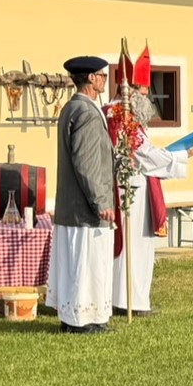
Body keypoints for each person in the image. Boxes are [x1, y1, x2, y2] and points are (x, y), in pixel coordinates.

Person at [108, 88, 193, 317]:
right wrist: (181, 155)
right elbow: (145, 155)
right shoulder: (122, 116)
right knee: (134, 248)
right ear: (130, 91)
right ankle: (131, 302)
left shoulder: (119, 114)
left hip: (132, 188)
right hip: (132, 193)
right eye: (143, 90)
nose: (147, 95)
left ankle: (126, 299)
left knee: (133, 248)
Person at [47, 56, 119, 334]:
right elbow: (86, 162)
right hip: (85, 208)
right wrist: (100, 201)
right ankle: (84, 320)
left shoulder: (71, 108)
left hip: (72, 206)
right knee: (88, 265)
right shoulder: (87, 112)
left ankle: (73, 318)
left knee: (75, 265)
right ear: (91, 78)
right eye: (102, 75)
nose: (104, 80)